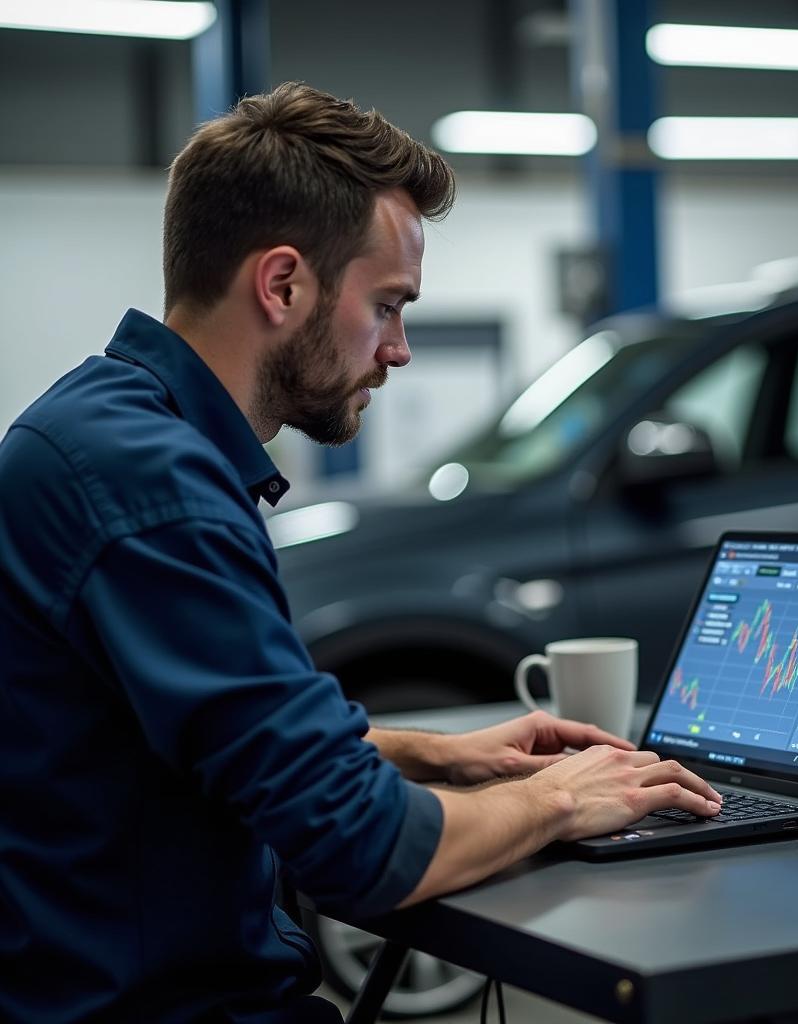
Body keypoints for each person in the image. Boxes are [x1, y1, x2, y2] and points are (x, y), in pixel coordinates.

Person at [0, 82, 721, 1023]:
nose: (400, 349)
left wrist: (436, 755)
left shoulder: (102, 429)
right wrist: (562, 801)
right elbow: (363, 846)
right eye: (386, 305)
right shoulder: (154, 493)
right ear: (283, 284)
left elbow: (209, 734)